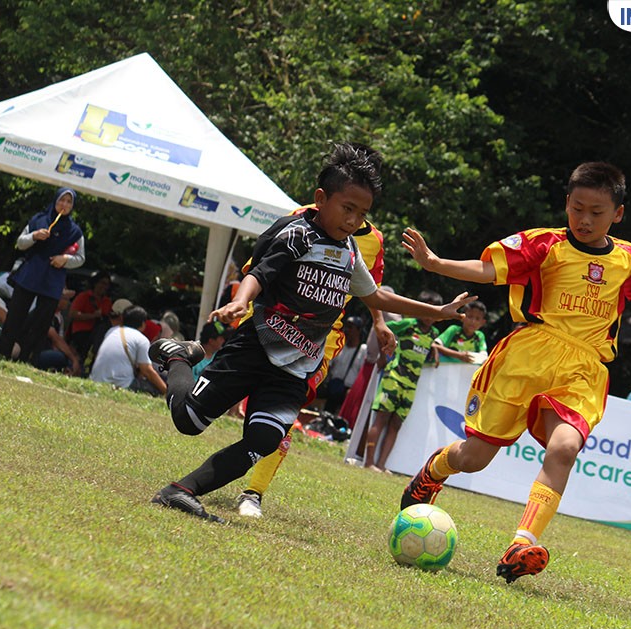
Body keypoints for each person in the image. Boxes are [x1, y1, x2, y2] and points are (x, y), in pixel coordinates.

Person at [395, 161, 631, 582]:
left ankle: (522, 543)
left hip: (584, 368)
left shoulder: (628, 259)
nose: (584, 219)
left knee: (565, 448)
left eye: (596, 211)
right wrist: (436, 263)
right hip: (528, 356)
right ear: (567, 204)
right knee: (474, 458)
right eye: (577, 209)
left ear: (618, 214)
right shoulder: (544, 245)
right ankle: (433, 472)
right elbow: (487, 270)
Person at [147, 142, 471, 522]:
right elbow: (258, 273)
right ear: (321, 199)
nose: (353, 220)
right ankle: (177, 357)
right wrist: (240, 300)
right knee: (188, 421)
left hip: (297, 365)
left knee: (265, 438)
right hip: (256, 346)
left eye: (362, 213)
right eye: (347, 209)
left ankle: (182, 491)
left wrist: (438, 312)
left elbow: (375, 296)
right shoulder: (296, 233)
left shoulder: (350, 251)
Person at [232, 144, 399, 520]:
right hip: (267, 326)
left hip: (320, 340)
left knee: (283, 415)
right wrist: (241, 303)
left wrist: (379, 322)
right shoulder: (302, 218)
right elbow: (258, 268)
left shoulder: (374, 240)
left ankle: (253, 492)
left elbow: (370, 288)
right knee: (247, 406)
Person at [0, 188, 85, 363]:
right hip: (30, 274)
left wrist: (65, 259)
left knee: (41, 324)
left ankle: (26, 360)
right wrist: (34, 236)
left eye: (69, 202)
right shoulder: (39, 219)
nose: (64, 205)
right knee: (15, 317)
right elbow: (20, 243)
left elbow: (81, 258)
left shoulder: (75, 231)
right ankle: (1, 354)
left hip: (52, 280)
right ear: (55, 201)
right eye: (61, 200)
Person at [363, 291, 443, 471]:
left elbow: (431, 345)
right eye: (426, 310)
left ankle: (381, 465)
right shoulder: (408, 324)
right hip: (394, 378)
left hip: (411, 386)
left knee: (396, 424)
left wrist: (435, 349)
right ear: (418, 309)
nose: (429, 316)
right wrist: (383, 356)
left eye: (434, 312)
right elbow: (383, 329)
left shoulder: (434, 333)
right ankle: (369, 463)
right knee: (381, 419)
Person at [89, 305, 166, 395]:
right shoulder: (141, 339)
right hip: (121, 384)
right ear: (143, 324)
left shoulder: (112, 331)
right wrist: (165, 391)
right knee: (155, 388)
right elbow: (147, 371)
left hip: (96, 379)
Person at [317, 315, 366, 413]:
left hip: (348, 391)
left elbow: (363, 374)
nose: (347, 330)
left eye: (351, 327)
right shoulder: (339, 345)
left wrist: (354, 390)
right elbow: (329, 364)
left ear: (358, 330)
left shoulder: (363, 350)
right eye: (347, 326)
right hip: (333, 386)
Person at [66, 270, 112, 370]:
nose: (104, 287)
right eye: (102, 283)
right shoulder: (84, 296)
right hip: (81, 332)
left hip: (98, 333)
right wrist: (92, 316)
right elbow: (73, 314)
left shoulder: (107, 301)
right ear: (96, 283)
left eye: (107, 284)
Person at [33, 288, 81, 375]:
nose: (68, 303)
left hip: (50, 350)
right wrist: (72, 358)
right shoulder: (46, 312)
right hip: (37, 352)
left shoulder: (59, 317)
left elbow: (61, 340)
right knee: (63, 358)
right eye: (66, 299)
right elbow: (55, 338)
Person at [431, 299, 488, 364]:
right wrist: (459, 355)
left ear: (483, 322)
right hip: (445, 367)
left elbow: (483, 356)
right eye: (470, 317)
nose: (473, 321)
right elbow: (435, 345)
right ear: (462, 317)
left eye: (477, 319)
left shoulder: (480, 336)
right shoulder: (454, 330)